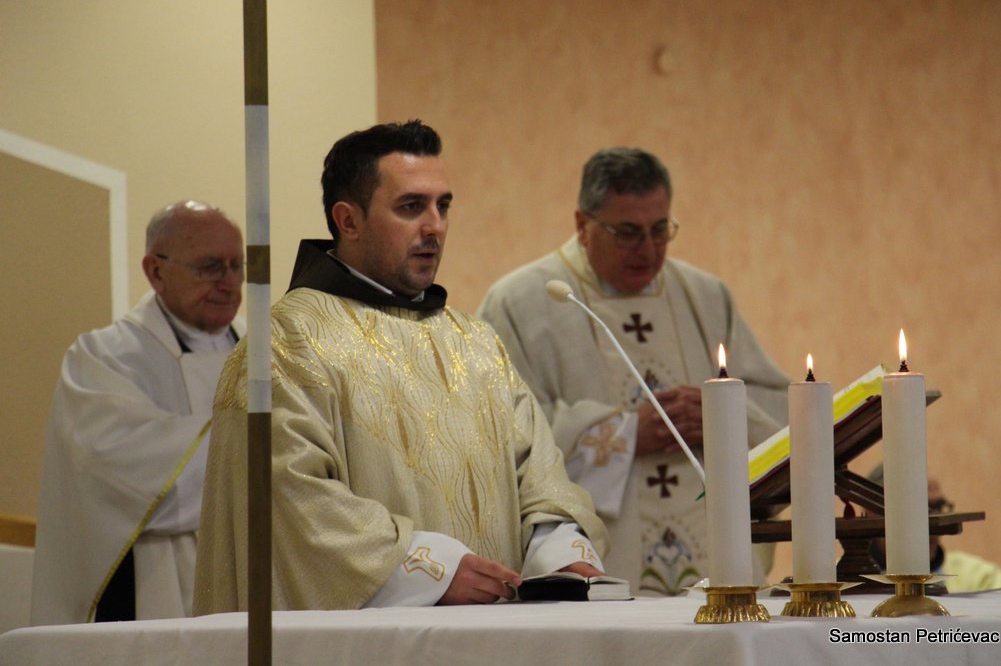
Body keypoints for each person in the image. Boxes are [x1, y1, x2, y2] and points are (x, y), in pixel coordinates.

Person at [193, 121, 609, 613]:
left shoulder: (474, 342)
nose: (435, 226)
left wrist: (560, 554)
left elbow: (540, 476)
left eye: (442, 206)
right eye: (411, 207)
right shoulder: (285, 342)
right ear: (348, 220)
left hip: (497, 633)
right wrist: (430, 570)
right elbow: (283, 498)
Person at [477, 147, 789, 595]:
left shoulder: (705, 295)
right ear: (582, 225)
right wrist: (623, 436)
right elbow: (501, 433)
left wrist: (721, 414)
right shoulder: (519, 303)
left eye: (660, 230)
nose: (648, 249)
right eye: (627, 233)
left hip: (713, 563)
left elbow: (775, 412)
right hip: (598, 560)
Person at [31, 201, 245, 625]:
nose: (229, 282)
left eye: (237, 265)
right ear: (155, 271)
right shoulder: (102, 359)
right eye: (209, 267)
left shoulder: (266, 359)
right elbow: (120, 474)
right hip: (150, 593)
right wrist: (263, 443)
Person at [866, 465, 1001, 593]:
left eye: (938, 507)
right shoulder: (852, 583)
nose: (933, 523)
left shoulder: (981, 579)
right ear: (873, 513)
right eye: (920, 507)